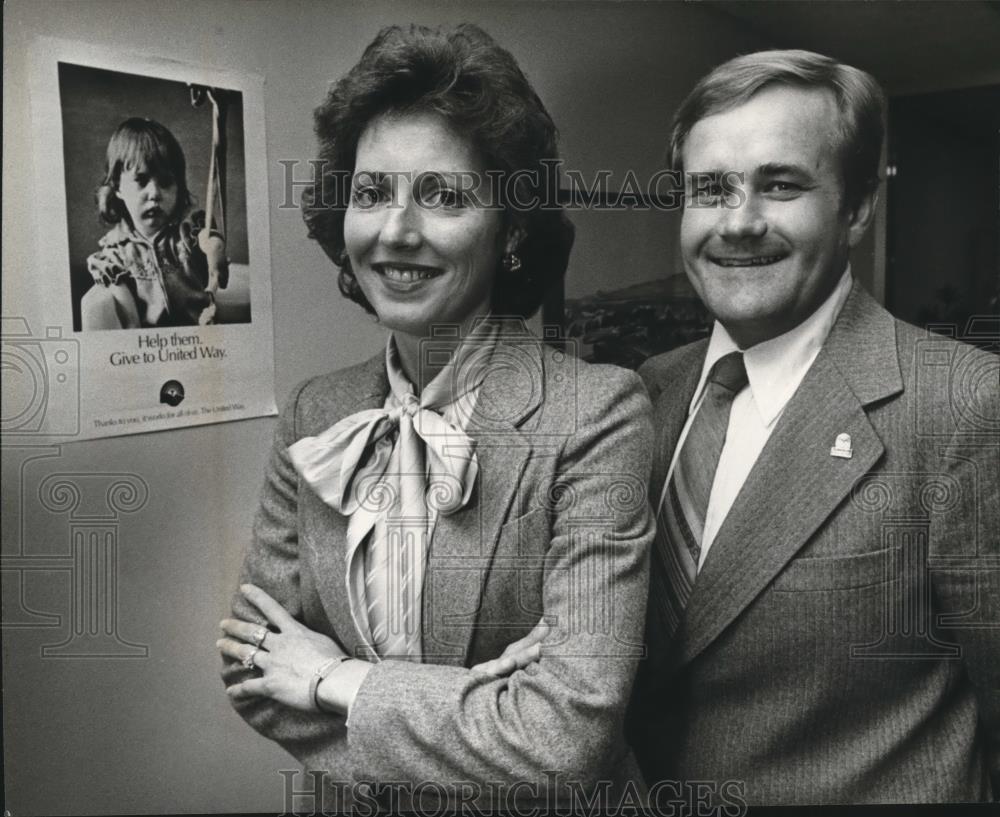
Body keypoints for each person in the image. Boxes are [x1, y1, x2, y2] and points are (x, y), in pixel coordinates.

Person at [217, 24, 653, 812]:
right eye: (373, 192)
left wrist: (331, 677)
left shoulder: (599, 412)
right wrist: (475, 716)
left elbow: (565, 740)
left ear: (511, 229)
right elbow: (253, 669)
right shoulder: (316, 410)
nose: (395, 232)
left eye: (443, 196)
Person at [628, 49, 999, 804]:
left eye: (781, 184)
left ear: (858, 205)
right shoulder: (643, 393)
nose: (739, 222)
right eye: (711, 189)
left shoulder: (965, 405)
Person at [82, 117, 227, 329]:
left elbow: (207, 238)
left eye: (166, 182)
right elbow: (128, 315)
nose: (154, 194)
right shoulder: (116, 251)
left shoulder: (186, 228)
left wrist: (214, 246)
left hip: (199, 332)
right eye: (141, 181)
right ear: (117, 187)